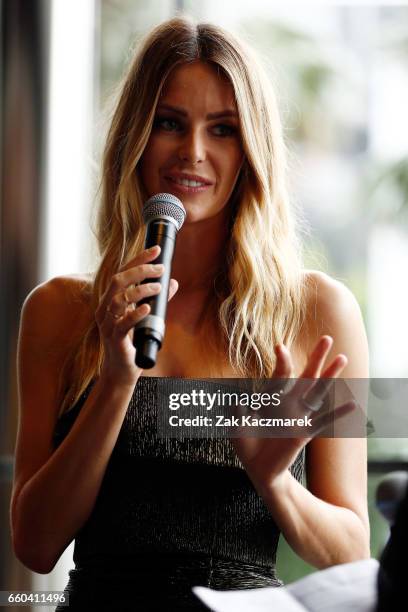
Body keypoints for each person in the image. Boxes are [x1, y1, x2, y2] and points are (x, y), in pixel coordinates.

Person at [10, 16, 370, 611]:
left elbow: (352, 549)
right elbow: (35, 544)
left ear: (251, 149)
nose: (193, 153)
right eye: (169, 123)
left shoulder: (319, 312)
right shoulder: (58, 311)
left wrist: (275, 478)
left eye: (223, 129)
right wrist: (116, 381)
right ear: (135, 137)